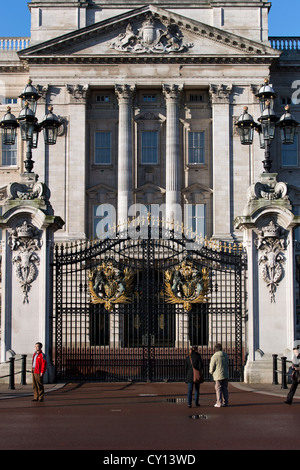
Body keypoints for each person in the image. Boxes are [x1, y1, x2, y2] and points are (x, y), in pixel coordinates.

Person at [209, 343, 229, 407]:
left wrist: (211, 372)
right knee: (225, 389)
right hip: (225, 374)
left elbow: (212, 366)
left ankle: (219, 402)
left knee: (218, 389)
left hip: (217, 375)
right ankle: (226, 402)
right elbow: (227, 364)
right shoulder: (225, 355)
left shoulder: (214, 356)